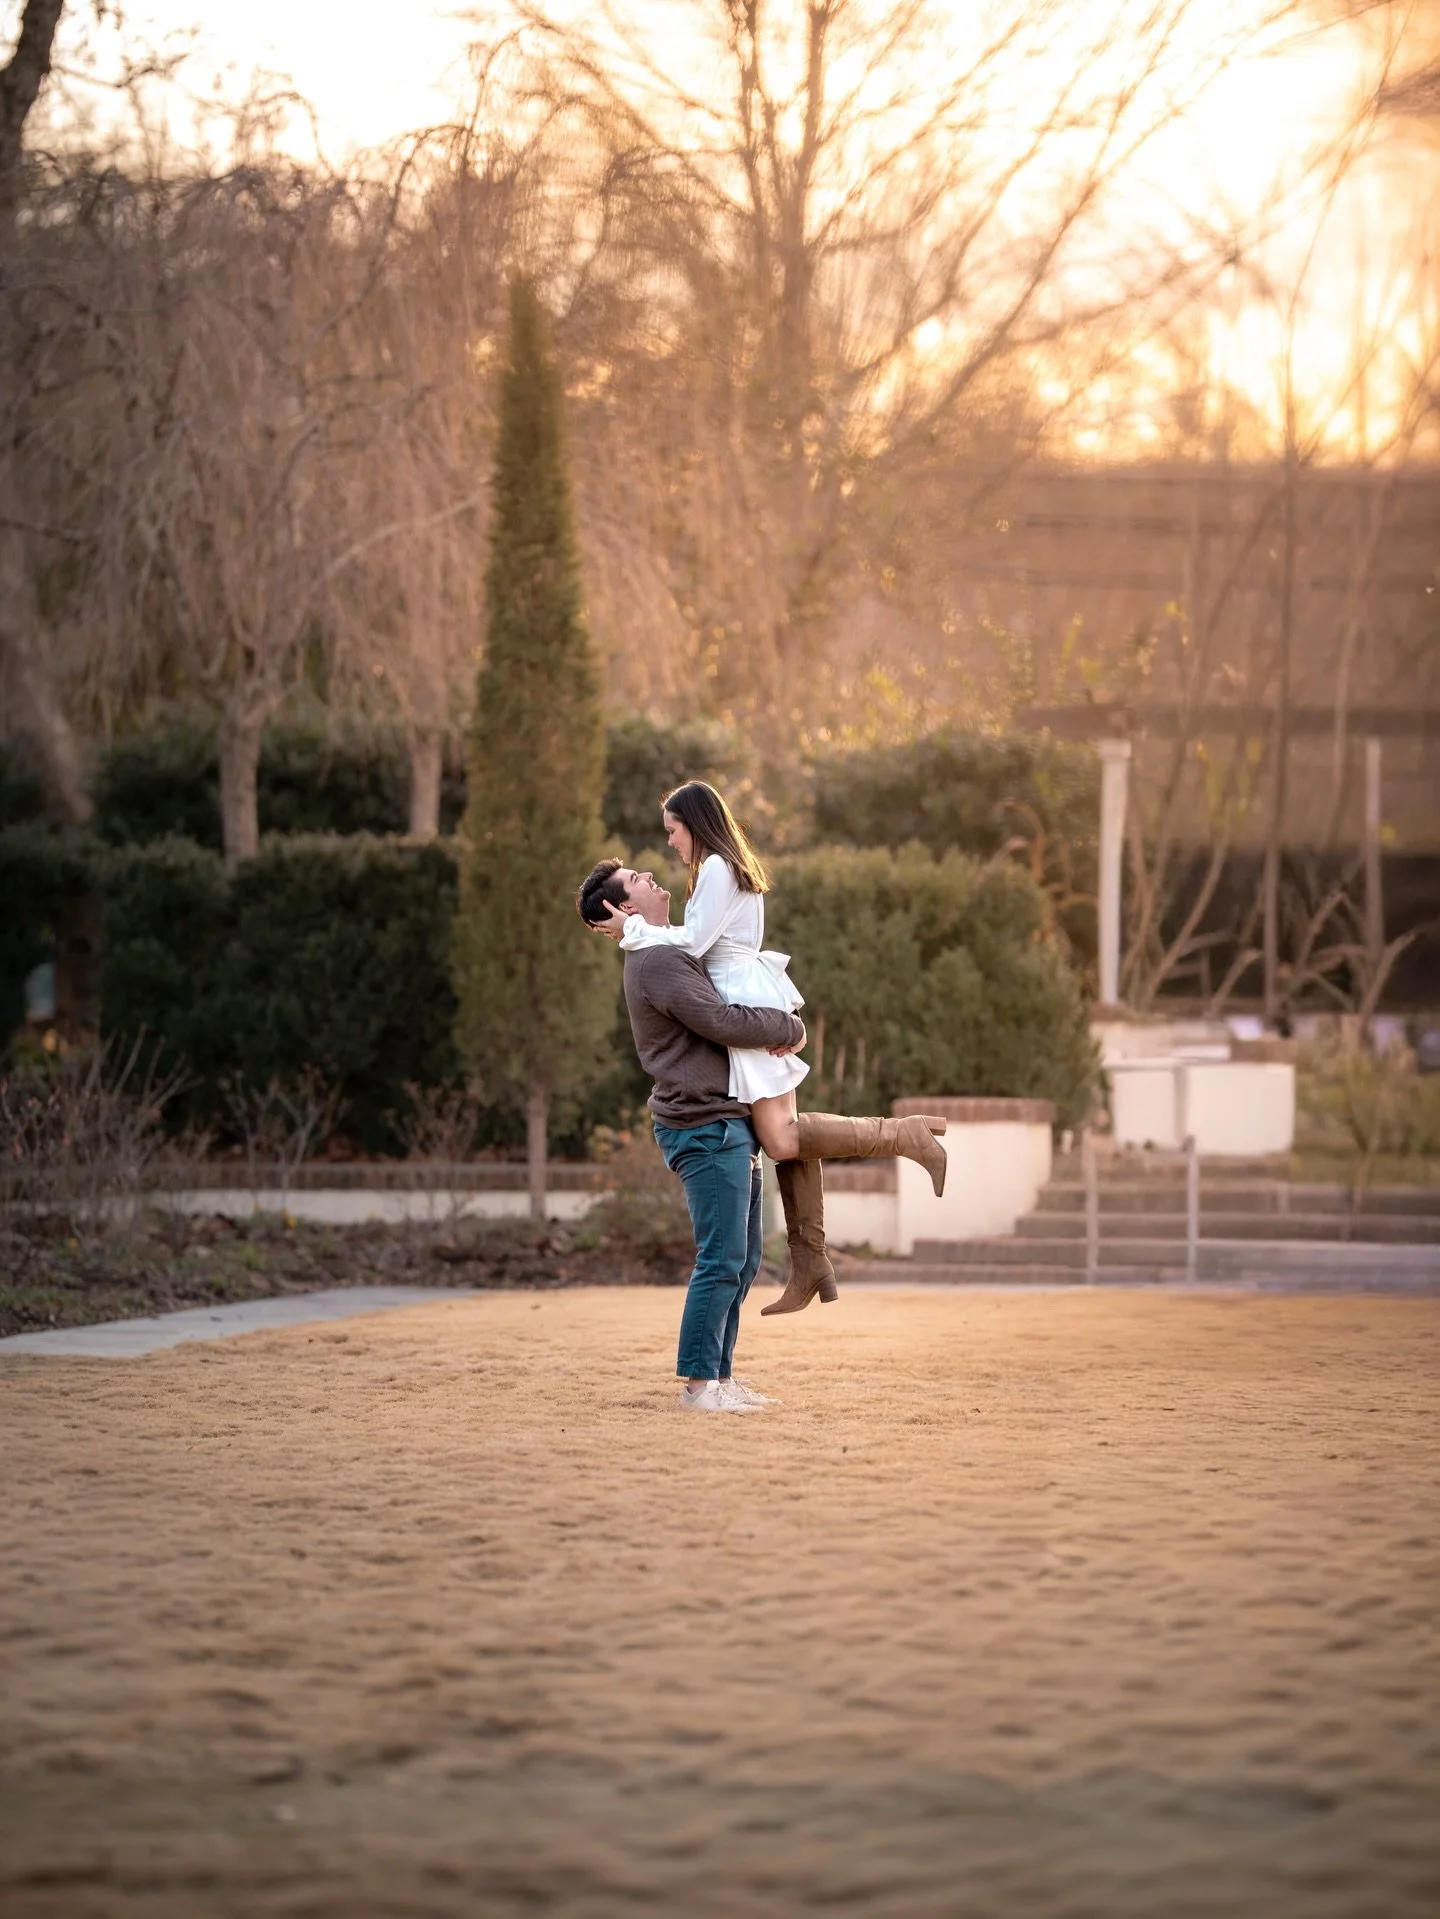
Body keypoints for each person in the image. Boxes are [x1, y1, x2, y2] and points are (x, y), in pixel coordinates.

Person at [585, 782, 949, 1316]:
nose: (669, 844)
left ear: (695, 822)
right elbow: (695, 939)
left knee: (781, 1139)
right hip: (749, 991)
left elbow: (691, 944)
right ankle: (811, 1260)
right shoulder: (724, 867)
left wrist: (631, 928)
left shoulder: (715, 869)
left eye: (672, 831)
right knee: (786, 1138)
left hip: (742, 1000)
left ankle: (903, 1136)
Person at [577, 856, 803, 1412]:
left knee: (742, 1258)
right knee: (721, 1257)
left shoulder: (665, 949)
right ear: (626, 907)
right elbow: (722, 1021)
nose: (651, 876)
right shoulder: (658, 961)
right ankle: (700, 1387)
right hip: (704, 1127)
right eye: (636, 881)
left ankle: (720, 1379)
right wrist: (788, 1025)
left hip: (722, 1121)